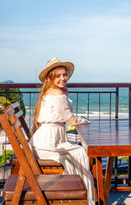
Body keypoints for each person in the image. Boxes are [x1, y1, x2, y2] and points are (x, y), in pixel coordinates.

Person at [30, 58, 94, 205]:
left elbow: (65, 115)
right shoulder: (57, 94)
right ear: (50, 77)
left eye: (64, 75)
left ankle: (82, 196)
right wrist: (85, 121)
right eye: (58, 76)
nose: (62, 78)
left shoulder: (51, 91)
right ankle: (83, 197)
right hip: (49, 143)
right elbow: (70, 120)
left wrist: (65, 93)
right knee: (81, 153)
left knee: (79, 151)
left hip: (47, 139)